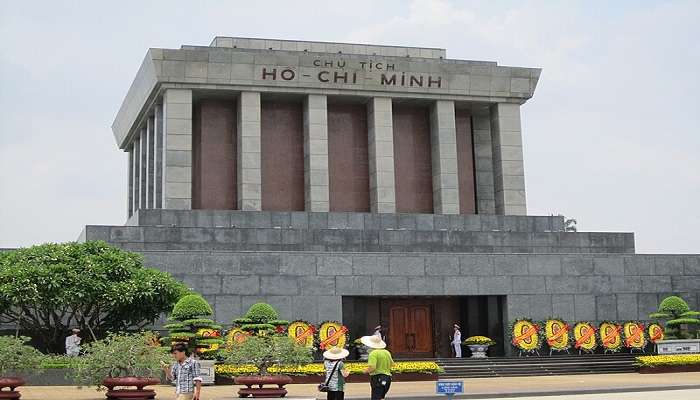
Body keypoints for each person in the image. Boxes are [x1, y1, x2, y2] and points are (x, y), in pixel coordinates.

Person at [361, 335, 394, 400]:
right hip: (387, 378)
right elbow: (392, 364)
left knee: (376, 397)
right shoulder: (386, 352)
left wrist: (365, 371)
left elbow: (372, 367)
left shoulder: (373, 353)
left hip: (377, 378)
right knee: (381, 397)